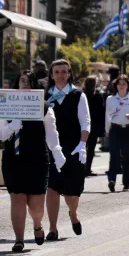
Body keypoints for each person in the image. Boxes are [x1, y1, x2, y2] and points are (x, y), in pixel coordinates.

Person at [1, 71, 66, 252]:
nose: (26, 84)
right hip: (13, 160)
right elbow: (1, 134)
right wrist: (12, 126)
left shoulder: (44, 107)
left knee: (36, 205)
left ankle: (37, 224)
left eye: (29, 81)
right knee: (18, 199)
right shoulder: (6, 105)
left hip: (37, 160)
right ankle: (19, 239)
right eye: (22, 81)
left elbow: (52, 134)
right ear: (17, 84)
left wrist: (57, 152)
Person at [45, 59, 91, 241]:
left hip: (73, 148)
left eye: (64, 72)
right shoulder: (45, 96)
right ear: (51, 75)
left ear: (69, 74)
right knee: (52, 187)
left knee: (71, 192)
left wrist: (82, 144)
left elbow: (85, 121)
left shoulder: (78, 95)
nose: (60, 75)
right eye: (56, 72)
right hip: (51, 148)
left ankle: (73, 213)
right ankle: (52, 228)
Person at [105, 74, 129, 192]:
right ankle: (112, 179)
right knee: (114, 155)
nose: (121, 86)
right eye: (119, 84)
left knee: (127, 157)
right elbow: (107, 115)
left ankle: (126, 183)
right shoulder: (111, 99)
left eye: (124, 84)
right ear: (116, 85)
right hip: (115, 129)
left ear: (128, 86)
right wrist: (107, 129)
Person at [83, 76, 105, 177]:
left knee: (82, 147)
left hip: (83, 125)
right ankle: (87, 169)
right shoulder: (98, 96)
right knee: (91, 149)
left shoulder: (81, 94)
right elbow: (101, 112)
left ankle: (82, 168)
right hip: (94, 126)